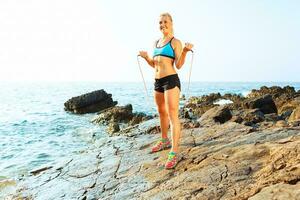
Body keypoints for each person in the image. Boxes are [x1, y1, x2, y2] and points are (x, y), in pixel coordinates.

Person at [139, 12, 193, 169]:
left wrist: (184, 52)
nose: (162, 24)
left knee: (172, 114)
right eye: (160, 22)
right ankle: (164, 140)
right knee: (161, 112)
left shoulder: (176, 42)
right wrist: (146, 57)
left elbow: (179, 65)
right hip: (158, 81)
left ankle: (174, 151)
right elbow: (154, 65)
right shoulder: (156, 42)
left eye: (165, 21)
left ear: (171, 23)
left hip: (171, 81)